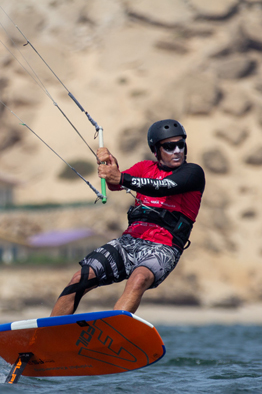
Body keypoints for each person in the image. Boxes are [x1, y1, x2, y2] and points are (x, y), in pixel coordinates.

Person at [51, 119, 205, 316]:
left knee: (138, 279)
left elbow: (161, 187)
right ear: (156, 151)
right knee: (80, 277)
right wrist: (111, 167)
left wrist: (121, 178)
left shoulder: (193, 173)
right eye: (169, 146)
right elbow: (117, 184)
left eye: (180, 145)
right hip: (130, 241)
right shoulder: (144, 168)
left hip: (164, 246)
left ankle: (114, 332)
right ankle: (50, 334)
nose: (177, 151)